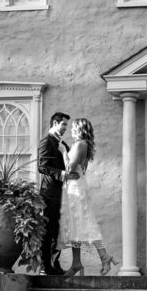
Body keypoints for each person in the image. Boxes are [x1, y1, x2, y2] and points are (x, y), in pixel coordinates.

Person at [58, 118, 117, 277]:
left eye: (72, 128)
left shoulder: (80, 144)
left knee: (85, 222)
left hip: (76, 187)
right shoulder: (83, 145)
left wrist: (64, 152)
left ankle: (104, 257)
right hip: (74, 185)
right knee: (75, 225)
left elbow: (69, 168)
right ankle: (77, 262)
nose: (70, 130)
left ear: (78, 128)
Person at [37, 112, 76, 275]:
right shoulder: (46, 142)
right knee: (48, 229)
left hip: (62, 194)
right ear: (55, 122)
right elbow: (42, 166)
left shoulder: (63, 145)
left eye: (67, 125)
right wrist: (62, 174)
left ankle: (54, 263)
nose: (66, 128)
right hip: (49, 194)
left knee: (58, 230)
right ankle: (45, 266)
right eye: (64, 125)